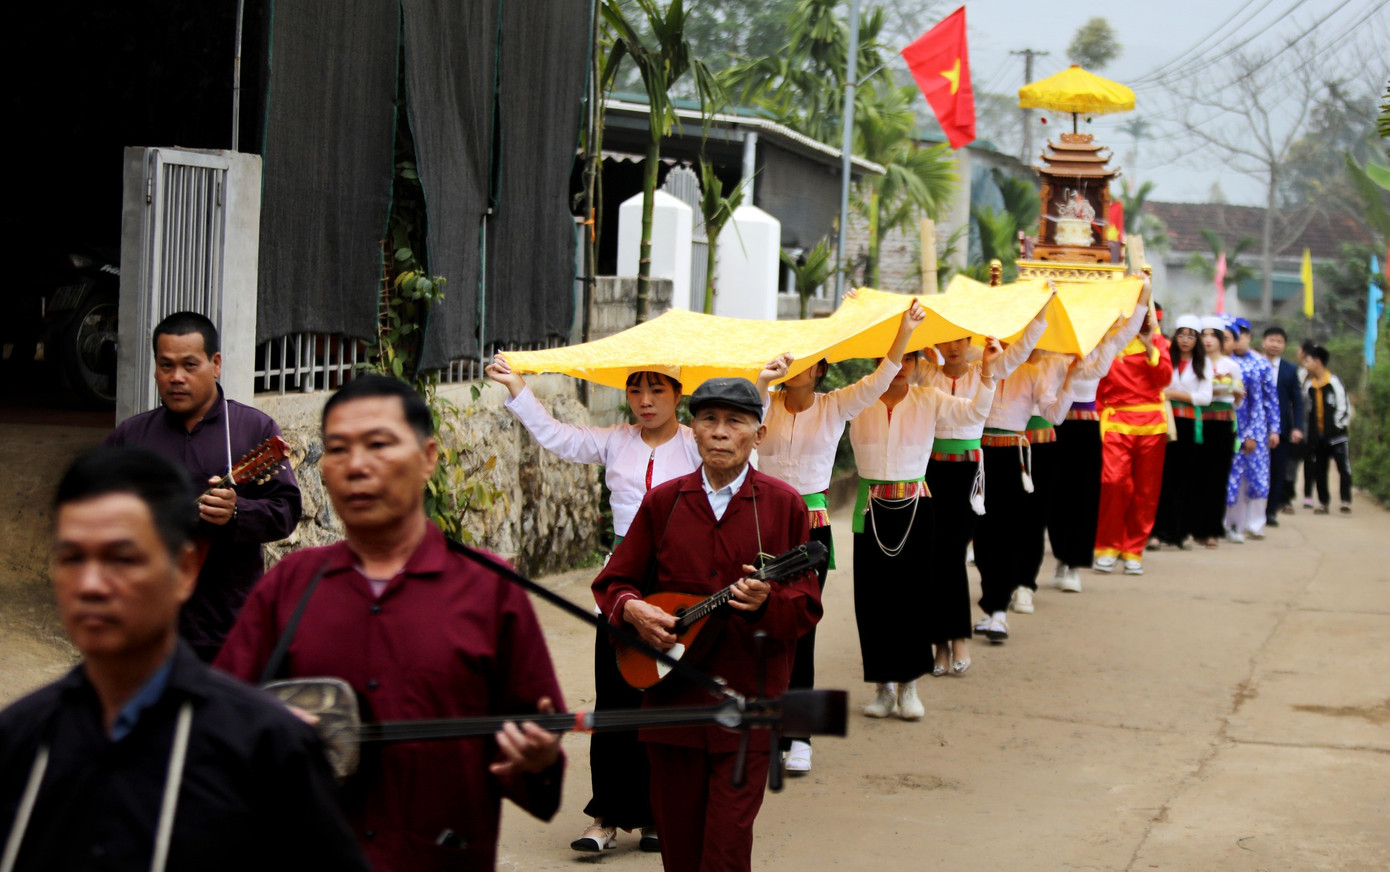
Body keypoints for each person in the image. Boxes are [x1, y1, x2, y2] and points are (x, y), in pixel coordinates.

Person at [216, 374, 565, 872]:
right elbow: (217, 731)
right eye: (337, 450)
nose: (357, 466)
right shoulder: (289, 587)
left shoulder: (490, 590)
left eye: (379, 445)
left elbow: (539, 760)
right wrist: (262, 733)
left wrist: (538, 761)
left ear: (428, 458)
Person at [0, 447, 369, 872]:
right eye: (72, 558)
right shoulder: (20, 740)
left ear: (185, 569)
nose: (91, 585)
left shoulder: (266, 748)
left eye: (123, 558)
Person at [592, 377, 821, 872]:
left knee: (726, 847)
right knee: (678, 846)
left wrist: (765, 602)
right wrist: (633, 608)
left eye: (735, 421)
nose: (720, 432)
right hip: (670, 705)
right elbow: (614, 583)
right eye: (708, 420)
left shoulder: (784, 506)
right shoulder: (665, 502)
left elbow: (805, 608)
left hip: (746, 703)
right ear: (692, 430)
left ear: (758, 435)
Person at [486, 357, 701, 852]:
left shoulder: (695, 444)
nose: (644, 401)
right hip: (622, 580)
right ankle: (605, 815)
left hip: (678, 582)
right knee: (616, 695)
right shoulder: (614, 440)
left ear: (678, 393)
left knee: (665, 698)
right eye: (635, 390)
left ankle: (655, 815)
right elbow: (558, 437)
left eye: (656, 390)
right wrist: (518, 386)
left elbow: (742, 464)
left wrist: (760, 388)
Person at [754, 301, 925, 772]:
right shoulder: (764, 403)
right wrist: (764, 381)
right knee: (755, 630)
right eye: (789, 360)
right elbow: (738, 422)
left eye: (804, 362)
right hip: (759, 524)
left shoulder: (834, 407)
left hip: (809, 527)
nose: (794, 368)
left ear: (822, 370)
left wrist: (904, 333)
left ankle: (800, 736)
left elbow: (878, 380)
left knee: (799, 629)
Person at [103, 312, 301, 662]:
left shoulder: (251, 429)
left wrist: (238, 512)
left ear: (216, 364)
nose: (176, 377)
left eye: (189, 365)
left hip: (228, 624)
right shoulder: (131, 436)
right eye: (165, 366)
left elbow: (286, 512)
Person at [849, 336, 999, 716]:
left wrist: (989, 373)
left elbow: (973, 414)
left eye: (908, 358)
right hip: (870, 507)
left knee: (913, 596)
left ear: (917, 363)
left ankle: (909, 686)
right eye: (891, 357)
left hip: (916, 505)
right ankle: (883, 687)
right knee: (873, 600)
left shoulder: (928, 398)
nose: (900, 366)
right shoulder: (856, 399)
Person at [917, 304, 1045, 671]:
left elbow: (1020, 350)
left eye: (960, 338)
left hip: (969, 473)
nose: (954, 346)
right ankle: (941, 643)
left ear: (969, 340)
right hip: (929, 471)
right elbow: (890, 357)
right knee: (934, 555)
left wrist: (1039, 311)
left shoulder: (985, 371)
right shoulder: (925, 373)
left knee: (953, 554)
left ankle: (956, 640)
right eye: (947, 339)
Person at [1043, 281, 1152, 591]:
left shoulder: (1101, 346)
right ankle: (1060, 556)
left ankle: (1073, 563)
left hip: (1087, 427)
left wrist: (1142, 296)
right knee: (1056, 494)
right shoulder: (1053, 347)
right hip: (1056, 425)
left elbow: (1129, 331)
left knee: (1084, 494)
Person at [1093, 302, 1172, 575]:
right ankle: (1106, 547)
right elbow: (1099, 387)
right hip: (1116, 423)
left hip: (1151, 425)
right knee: (1114, 483)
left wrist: (1151, 348)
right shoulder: (1109, 342)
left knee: (1146, 491)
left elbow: (1164, 379)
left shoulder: (1159, 342)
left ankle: (1133, 550)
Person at [1151, 315, 1214, 549]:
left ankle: (1179, 531)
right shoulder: (1166, 357)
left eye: (1191, 335)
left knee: (1184, 478)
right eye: (1181, 334)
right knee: (1162, 477)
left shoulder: (1203, 363)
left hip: (1188, 424)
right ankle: (1156, 531)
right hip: (1165, 422)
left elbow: (1205, 398)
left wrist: (1175, 394)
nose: (1185, 340)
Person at [1224, 318, 1280, 542]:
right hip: (1227, 425)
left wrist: (1270, 430)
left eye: (1241, 335)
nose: (1237, 340)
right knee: (1232, 477)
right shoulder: (1222, 363)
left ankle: (1256, 523)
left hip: (1254, 428)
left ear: (1248, 337)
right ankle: (1230, 523)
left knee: (1257, 477)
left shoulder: (1261, 365)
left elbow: (1267, 401)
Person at [1192, 318, 1244, 548]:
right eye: (1204, 335)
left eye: (1214, 336)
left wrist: (1238, 395)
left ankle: (1212, 529)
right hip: (1197, 421)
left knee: (1218, 476)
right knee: (1196, 475)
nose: (1209, 340)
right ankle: (1192, 527)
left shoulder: (1230, 366)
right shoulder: (1194, 363)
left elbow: (1238, 396)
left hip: (1222, 423)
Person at [1302, 344, 1353, 514]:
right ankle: (1323, 502)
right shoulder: (1309, 385)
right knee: (1320, 470)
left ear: (1318, 362)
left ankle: (1345, 500)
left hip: (1337, 436)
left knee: (1343, 468)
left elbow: (1344, 406)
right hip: (1318, 437)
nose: (1305, 365)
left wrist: (1338, 426)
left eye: (1308, 361)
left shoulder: (1334, 382)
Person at [1261, 326, 1304, 525]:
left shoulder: (1290, 370)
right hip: (1256, 426)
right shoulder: (1255, 364)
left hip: (1283, 429)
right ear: (1263, 342)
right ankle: (1253, 511)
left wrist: (1298, 427)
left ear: (1284, 345)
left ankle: (1271, 511)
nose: (1275, 344)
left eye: (1279, 341)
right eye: (1272, 340)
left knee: (1277, 471)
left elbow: (1298, 401)